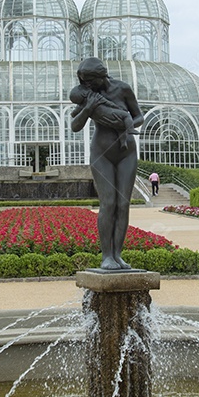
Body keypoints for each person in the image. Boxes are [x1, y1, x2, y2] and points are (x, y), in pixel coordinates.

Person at [69, 57, 144, 270]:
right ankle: (106, 256)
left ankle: (118, 255)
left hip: (126, 151)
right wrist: (88, 108)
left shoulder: (123, 89)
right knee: (108, 203)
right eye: (84, 82)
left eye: (90, 81)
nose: (86, 86)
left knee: (123, 204)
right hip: (101, 153)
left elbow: (139, 117)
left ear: (101, 76)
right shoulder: (87, 95)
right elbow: (74, 125)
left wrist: (124, 125)